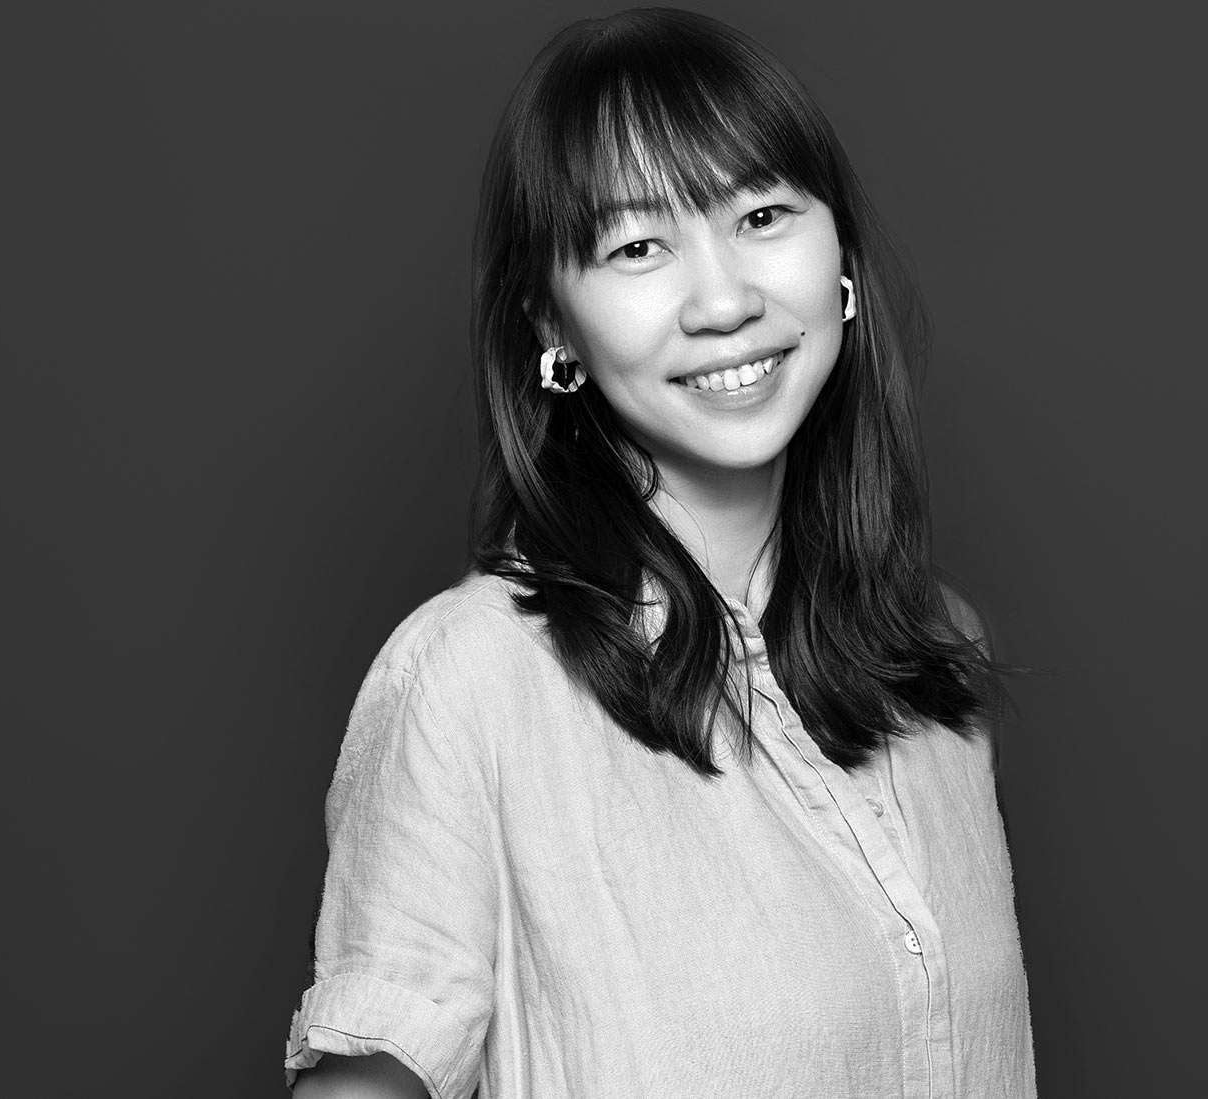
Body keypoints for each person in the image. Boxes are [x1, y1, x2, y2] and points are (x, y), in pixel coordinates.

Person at [285, 7, 1037, 1097]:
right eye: (637, 246)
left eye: (762, 215)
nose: (724, 301)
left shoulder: (931, 656)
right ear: (552, 324)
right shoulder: (469, 681)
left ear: (841, 258)